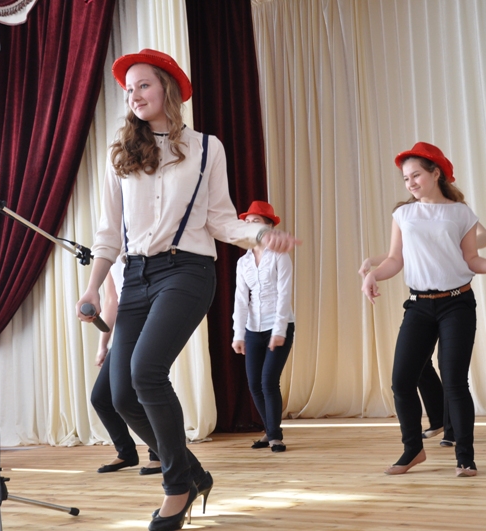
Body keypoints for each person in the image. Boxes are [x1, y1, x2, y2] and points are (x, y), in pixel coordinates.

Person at [76, 49, 299, 531]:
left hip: (187, 271)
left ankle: (176, 487)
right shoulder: (119, 155)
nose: (134, 96)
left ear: (168, 89)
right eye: (129, 89)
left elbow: (221, 219)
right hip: (136, 276)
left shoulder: (206, 148)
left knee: (145, 371)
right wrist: (92, 288)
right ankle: (194, 473)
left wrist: (260, 234)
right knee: (120, 394)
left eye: (144, 85)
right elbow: (108, 233)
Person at [361, 141, 486, 478]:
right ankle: (412, 450)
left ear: (436, 174)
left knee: (454, 382)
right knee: (401, 381)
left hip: (457, 304)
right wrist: (373, 275)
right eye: (406, 178)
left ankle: (465, 457)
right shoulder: (403, 215)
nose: (410, 183)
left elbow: (472, 260)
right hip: (419, 306)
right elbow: (395, 260)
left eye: (416, 175)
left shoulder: (461, 213)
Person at [359, 223, 486, 447]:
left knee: (449, 369)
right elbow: (404, 251)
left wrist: (453, 245)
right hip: (422, 302)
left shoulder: (456, 210)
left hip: (454, 300)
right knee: (416, 366)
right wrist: (372, 261)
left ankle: (452, 431)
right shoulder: (412, 213)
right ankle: (438, 419)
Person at [231, 201, 296, 453]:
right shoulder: (243, 262)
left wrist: (279, 331)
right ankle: (270, 431)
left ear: (269, 227)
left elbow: (284, 294)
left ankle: (275, 436)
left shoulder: (280, 255)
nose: (250, 226)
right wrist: (238, 334)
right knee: (254, 384)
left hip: (278, 325)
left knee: (269, 381)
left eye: (255, 221)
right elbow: (240, 300)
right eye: (247, 222)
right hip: (252, 329)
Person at [90, 264, 161, 475]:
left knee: (144, 392)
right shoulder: (110, 258)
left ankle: (160, 454)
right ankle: (126, 452)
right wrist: (103, 344)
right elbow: (112, 301)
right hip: (125, 330)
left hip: (148, 322)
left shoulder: (144, 252)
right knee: (100, 397)